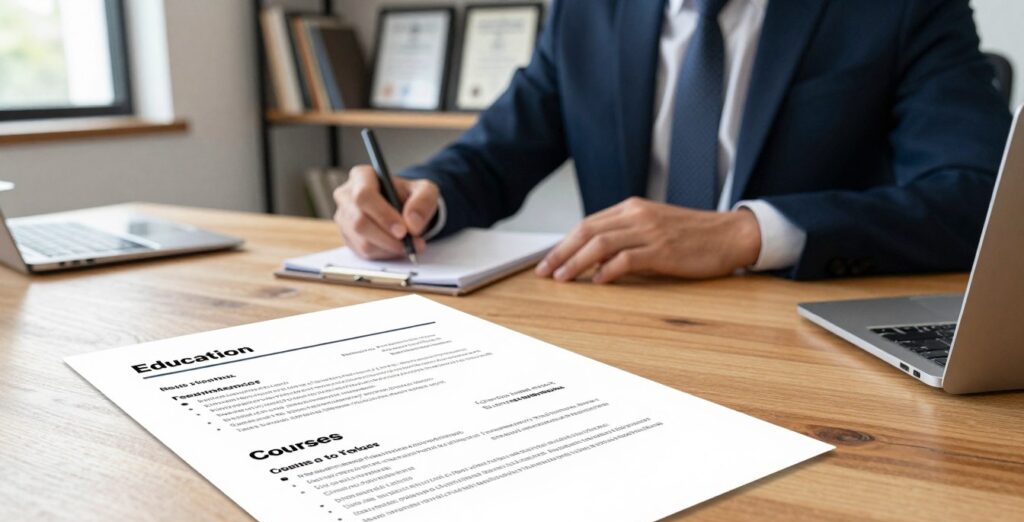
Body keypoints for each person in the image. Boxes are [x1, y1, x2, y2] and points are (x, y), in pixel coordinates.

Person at [334, 0, 1011, 282]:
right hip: (621, 337)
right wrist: (420, 195)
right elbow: (494, 154)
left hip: (804, 351)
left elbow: (979, 199)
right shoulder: (589, 11)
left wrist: (747, 234)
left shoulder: (901, 8)